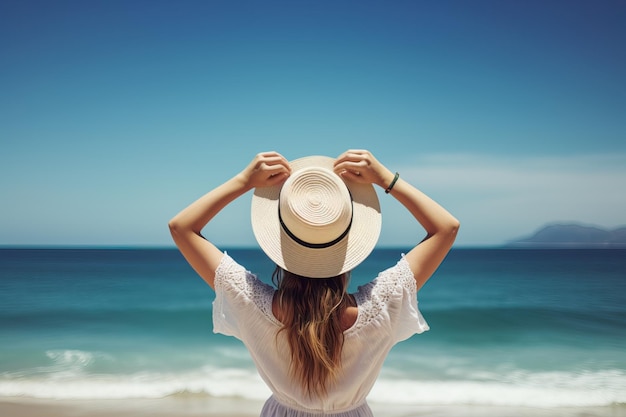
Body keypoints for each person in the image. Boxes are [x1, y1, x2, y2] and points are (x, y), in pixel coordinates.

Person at [169, 149, 459, 416]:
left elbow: (182, 227)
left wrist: (244, 181)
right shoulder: (383, 305)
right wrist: (386, 178)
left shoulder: (250, 304)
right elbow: (446, 228)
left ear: (281, 245)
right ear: (348, 243)